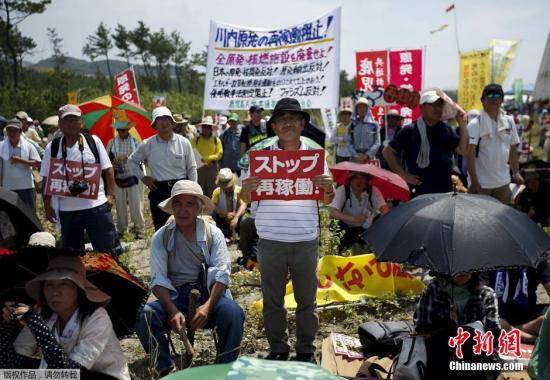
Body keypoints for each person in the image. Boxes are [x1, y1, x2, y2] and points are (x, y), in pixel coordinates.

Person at [240, 97, 335, 363]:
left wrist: (329, 187)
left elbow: (326, 199)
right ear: (274, 126)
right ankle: (278, 347)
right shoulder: (260, 157)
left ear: (303, 124)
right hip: (270, 239)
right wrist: (245, 191)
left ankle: (305, 349)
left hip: (305, 239)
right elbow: (246, 197)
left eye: (294, 118)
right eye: (282, 119)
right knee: (273, 300)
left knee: (307, 301)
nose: (288, 123)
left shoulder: (316, 157)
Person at [137, 180, 245, 376]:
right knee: (144, 315)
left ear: (199, 208)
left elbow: (221, 274)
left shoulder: (214, 234)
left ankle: (224, 368)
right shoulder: (162, 237)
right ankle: (165, 368)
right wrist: (172, 310)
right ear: (172, 208)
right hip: (175, 296)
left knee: (233, 313)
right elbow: (157, 279)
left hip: (208, 294)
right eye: (178, 203)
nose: (183, 210)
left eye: (189, 204)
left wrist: (207, 307)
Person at [0, 254, 130, 379]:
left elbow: (70, 373)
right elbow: (12, 364)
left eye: (63, 284)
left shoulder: (97, 318)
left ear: (78, 289)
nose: (55, 292)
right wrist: (7, 325)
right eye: (49, 285)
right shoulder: (42, 314)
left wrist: (37, 326)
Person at [41, 105, 120, 255]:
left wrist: (110, 196)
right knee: (73, 255)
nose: (71, 124)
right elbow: (46, 177)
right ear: (60, 124)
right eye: (67, 120)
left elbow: (108, 169)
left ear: (81, 122)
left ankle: (110, 277)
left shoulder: (93, 141)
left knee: (107, 251)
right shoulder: (53, 147)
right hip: (67, 210)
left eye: (75, 120)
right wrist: (47, 205)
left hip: (97, 206)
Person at [415, 272, 501, 379]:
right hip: (439, 355)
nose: (462, 272)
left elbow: (494, 334)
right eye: (457, 270)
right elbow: (422, 327)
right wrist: (447, 326)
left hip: (473, 358)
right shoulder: (434, 289)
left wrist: (467, 331)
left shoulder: (486, 294)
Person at [383, 90, 468, 197]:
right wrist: (403, 175)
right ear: (422, 108)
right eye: (433, 105)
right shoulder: (410, 130)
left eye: (440, 105)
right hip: (420, 190)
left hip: (445, 189)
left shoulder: (445, 129)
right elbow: (387, 151)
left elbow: (463, 150)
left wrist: (463, 125)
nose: (438, 108)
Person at [128, 106, 197, 231]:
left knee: (186, 226)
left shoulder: (184, 142)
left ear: (172, 122)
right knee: (162, 228)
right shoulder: (147, 144)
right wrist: (143, 177)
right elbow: (131, 161)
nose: (164, 122)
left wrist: (194, 191)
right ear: (154, 125)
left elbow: (192, 168)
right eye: (159, 119)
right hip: (159, 189)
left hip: (182, 188)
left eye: (167, 118)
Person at [466, 84, 522, 204]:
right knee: (479, 222)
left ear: (502, 100)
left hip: (503, 183)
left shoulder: (509, 121)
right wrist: (474, 182)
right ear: (482, 100)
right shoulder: (475, 124)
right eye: (489, 95)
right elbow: (469, 155)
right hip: (481, 184)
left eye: (497, 95)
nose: (493, 98)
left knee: (503, 221)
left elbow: (513, 150)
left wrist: (516, 173)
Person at [484, 260, 550, 344]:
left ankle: (515, 330)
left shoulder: (534, 259)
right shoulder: (490, 259)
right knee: (494, 322)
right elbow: (482, 290)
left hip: (529, 316)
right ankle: (532, 338)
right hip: (499, 315)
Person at [328, 172, 389, 251]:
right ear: (350, 180)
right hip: (346, 227)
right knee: (340, 242)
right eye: (355, 178)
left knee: (382, 224)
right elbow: (332, 212)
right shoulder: (343, 190)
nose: (359, 181)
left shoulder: (373, 190)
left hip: (367, 228)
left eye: (363, 178)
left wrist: (384, 223)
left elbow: (384, 209)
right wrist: (353, 219)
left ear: (367, 180)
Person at [106, 121, 145, 238]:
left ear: (128, 130)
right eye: (119, 130)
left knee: (136, 203)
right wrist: (114, 162)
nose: (121, 132)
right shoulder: (112, 143)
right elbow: (106, 161)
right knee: (120, 204)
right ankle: (122, 229)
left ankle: (139, 229)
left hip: (134, 175)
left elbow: (142, 158)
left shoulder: (135, 142)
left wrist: (127, 158)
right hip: (118, 177)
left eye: (123, 130)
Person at [0, 119, 41, 211]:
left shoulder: (28, 146)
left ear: (20, 131)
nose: (12, 133)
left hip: (26, 187)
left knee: (29, 216)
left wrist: (21, 160)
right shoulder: (1, 146)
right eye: (9, 130)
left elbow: (38, 164)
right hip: (7, 188)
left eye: (15, 130)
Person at [211, 168, 247, 240]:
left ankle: (241, 237)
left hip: (236, 219)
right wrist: (225, 214)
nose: (227, 189)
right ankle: (219, 235)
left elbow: (244, 204)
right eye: (225, 187)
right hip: (223, 219)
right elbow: (212, 205)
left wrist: (236, 217)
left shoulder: (239, 191)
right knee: (212, 215)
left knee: (244, 219)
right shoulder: (217, 192)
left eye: (229, 187)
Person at [193, 116, 223, 197]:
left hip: (212, 167)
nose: (206, 128)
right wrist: (202, 161)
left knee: (212, 190)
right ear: (202, 128)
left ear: (211, 128)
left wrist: (207, 159)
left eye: (208, 127)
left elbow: (219, 153)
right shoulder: (196, 139)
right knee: (199, 189)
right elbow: (192, 151)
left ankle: (213, 208)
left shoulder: (216, 140)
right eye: (204, 126)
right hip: (199, 167)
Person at [348, 97, 380, 163]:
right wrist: (356, 155)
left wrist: (367, 155)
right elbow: (348, 142)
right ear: (356, 109)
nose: (361, 109)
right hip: (355, 159)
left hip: (369, 159)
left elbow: (377, 143)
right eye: (359, 107)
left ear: (367, 109)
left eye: (364, 107)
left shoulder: (374, 125)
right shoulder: (352, 125)